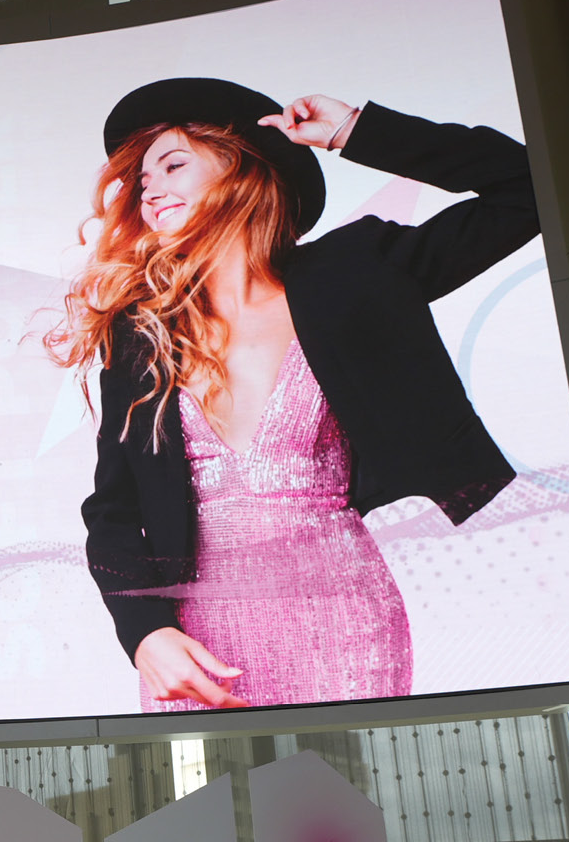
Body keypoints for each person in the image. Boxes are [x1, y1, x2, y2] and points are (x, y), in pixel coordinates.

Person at [51, 79, 536, 710]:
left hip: (343, 623)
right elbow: (112, 510)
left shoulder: (355, 274)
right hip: (195, 645)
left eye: (173, 165)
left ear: (243, 169)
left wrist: (355, 130)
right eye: (142, 180)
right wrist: (144, 634)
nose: (150, 189)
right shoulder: (142, 332)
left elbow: (526, 188)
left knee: (342, 777)